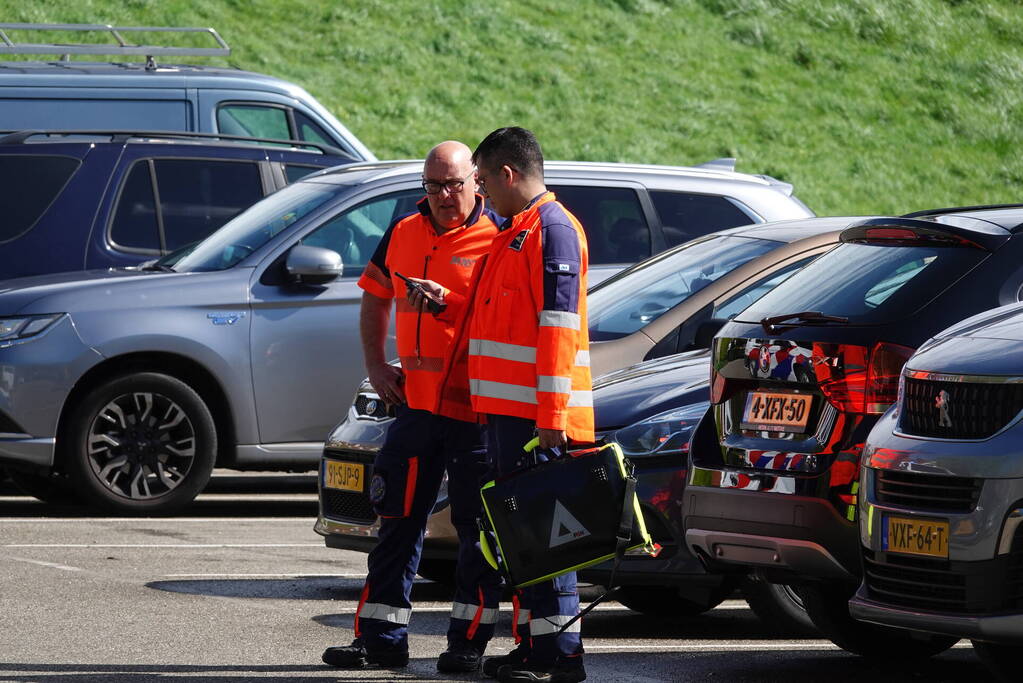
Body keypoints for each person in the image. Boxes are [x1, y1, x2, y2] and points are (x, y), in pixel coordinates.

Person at [410, 127, 593, 683]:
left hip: (538, 422)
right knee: (527, 539)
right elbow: (501, 318)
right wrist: (450, 305)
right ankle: (542, 651)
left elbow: (559, 328)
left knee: (549, 536)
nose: (480, 192)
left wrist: (553, 418)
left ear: (508, 175)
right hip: (513, 417)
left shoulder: (551, 230)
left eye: (484, 180)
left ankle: (560, 658)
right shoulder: (520, 231)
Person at [321, 141, 502, 673]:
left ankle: (467, 642)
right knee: (396, 519)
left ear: (477, 181)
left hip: (475, 412)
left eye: (454, 184)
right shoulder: (404, 231)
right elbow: (375, 295)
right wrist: (377, 367)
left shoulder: (499, 238)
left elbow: (507, 317)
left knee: (476, 530)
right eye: (432, 186)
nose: (444, 196)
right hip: (417, 408)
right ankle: (380, 639)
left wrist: (451, 301)